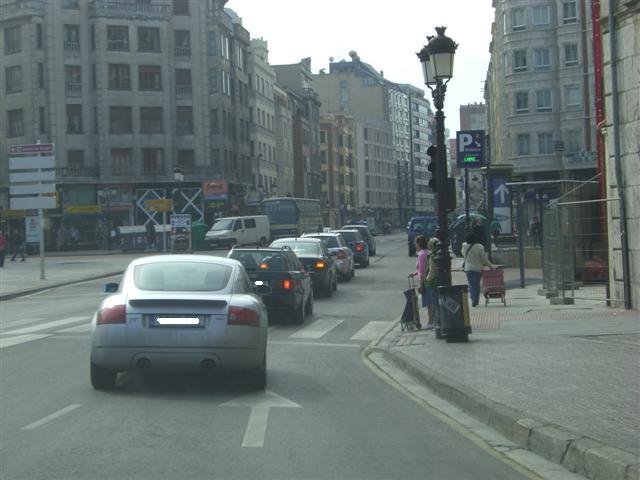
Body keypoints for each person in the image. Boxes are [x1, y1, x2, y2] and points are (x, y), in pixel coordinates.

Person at [408, 235, 436, 330]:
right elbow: (424, 268)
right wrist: (415, 273)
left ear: (419, 244)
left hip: (425, 281)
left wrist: (421, 284)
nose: (415, 245)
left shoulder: (421, 254)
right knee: (432, 301)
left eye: (416, 243)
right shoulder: (428, 252)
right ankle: (433, 320)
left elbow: (422, 270)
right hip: (431, 280)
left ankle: (431, 321)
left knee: (428, 303)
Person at [462, 231, 495, 307]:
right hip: (477, 269)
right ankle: (475, 300)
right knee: (476, 285)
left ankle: (474, 299)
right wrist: (490, 266)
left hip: (468, 269)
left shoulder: (464, 246)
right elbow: (484, 259)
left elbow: (463, 254)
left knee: (472, 285)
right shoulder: (480, 247)